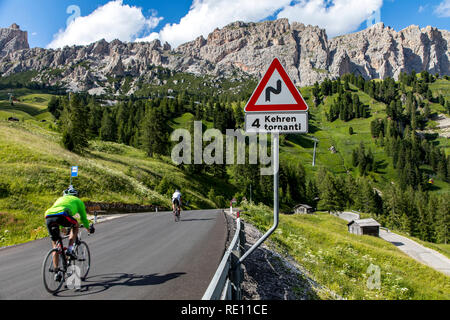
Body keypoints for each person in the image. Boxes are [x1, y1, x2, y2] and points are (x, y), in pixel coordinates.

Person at [44, 186, 94, 280]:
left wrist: (62, 228)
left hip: (48, 215)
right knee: (75, 225)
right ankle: (70, 249)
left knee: (55, 245)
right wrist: (88, 229)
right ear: (76, 195)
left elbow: (57, 212)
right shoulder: (78, 201)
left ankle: (57, 271)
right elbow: (83, 218)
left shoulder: (60, 199)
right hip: (63, 214)